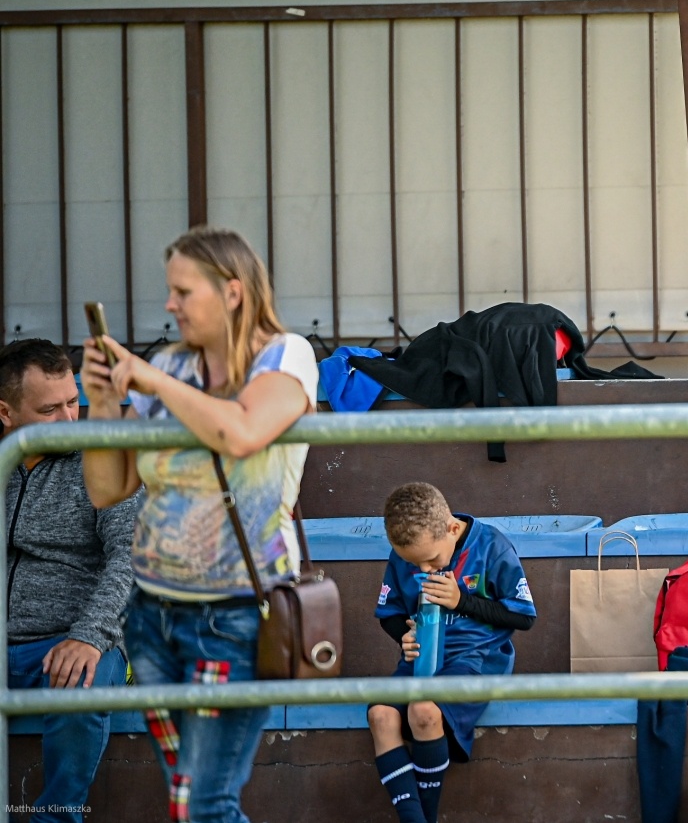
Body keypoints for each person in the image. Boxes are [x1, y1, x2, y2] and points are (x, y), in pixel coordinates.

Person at [79, 226, 318, 823]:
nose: (169, 305)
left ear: (233, 292)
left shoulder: (284, 355)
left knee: (203, 803)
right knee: (191, 799)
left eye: (183, 292)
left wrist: (151, 381)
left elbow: (240, 431)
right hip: (152, 617)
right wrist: (105, 401)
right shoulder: (169, 363)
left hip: (233, 614)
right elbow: (109, 488)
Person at [0, 340, 141, 823]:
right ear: (6, 412)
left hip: (78, 639)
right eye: (49, 409)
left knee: (81, 681)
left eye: (72, 402)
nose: (68, 420)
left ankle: (56, 817)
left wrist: (89, 636)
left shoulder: (98, 461)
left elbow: (132, 555)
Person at [366, 482, 536, 823]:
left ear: (452, 528)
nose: (426, 570)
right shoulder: (407, 554)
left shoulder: (491, 546)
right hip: (421, 659)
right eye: (415, 564)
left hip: (476, 659)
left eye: (431, 560)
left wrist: (462, 601)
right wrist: (405, 636)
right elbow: (389, 615)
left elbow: (523, 616)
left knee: (424, 711)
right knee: (381, 715)